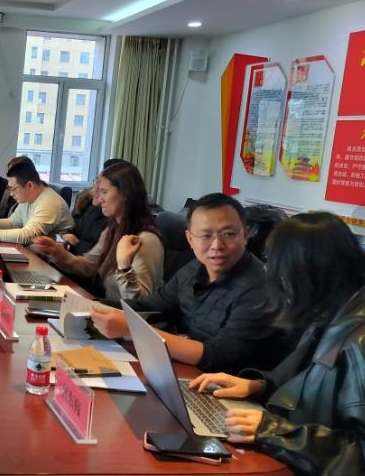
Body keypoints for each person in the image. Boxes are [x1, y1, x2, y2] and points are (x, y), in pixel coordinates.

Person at [189, 212, 365, 475]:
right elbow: (307, 385)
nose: (272, 275)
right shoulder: (329, 313)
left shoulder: (358, 339)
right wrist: (258, 387)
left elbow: (359, 455)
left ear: (307, 271)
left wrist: (273, 431)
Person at [90, 193, 278, 373]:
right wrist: (92, 307)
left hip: (224, 384)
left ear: (245, 235)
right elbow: (149, 306)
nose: (217, 246)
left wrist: (134, 328)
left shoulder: (260, 288)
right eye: (205, 236)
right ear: (190, 239)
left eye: (228, 234)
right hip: (182, 370)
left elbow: (219, 355)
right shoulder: (194, 269)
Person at [30, 162, 163, 300]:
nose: (100, 199)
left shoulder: (147, 240)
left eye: (104, 192)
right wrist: (57, 253)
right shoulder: (113, 229)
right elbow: (89, 266)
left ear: (125, 194)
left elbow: (141, 302)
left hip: (121, 313)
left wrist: (124, 266)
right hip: (108, 308)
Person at [0, 160, 73, 245]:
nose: (11, 194)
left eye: (13, 189)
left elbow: (27, 236)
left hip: (50, 261)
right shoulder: (27, 198)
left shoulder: (49, 203)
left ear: (30, 185)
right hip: (34, 252)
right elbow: (14, 222)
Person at [62, 158, 126, 256]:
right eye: (97, 181)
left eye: (104, 190)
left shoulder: (118, 222)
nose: (96, 189)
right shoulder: (92, 207)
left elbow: (101, 256)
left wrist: (77, 243)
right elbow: (75, 229)